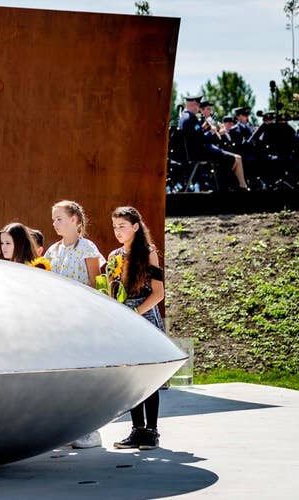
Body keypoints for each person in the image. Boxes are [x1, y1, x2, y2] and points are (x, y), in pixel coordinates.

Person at [43, 200, 105, 450]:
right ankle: (67, 429)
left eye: (59, 218)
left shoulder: (88, 248)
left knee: (84, 375)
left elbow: (95, 283)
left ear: (74, 220)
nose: (55, 223)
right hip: (59, 322)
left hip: (81, 319)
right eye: (53, 219)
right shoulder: (53, 251)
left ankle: (91, 430)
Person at [107, 207, 166, 451]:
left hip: (143, 316)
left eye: (122, 226)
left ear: (135, 227)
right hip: (123, 318)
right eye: (114, 227)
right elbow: (112, 290)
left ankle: (151, 431)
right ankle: (137, 429)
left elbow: (158, 293)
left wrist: (135, 313)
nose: (118, 231)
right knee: (131, 377)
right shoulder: (113, 256)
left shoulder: (148, 253)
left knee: (147, 376)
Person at [179, 95, 249, 190]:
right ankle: (228, 188)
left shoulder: (185, 117)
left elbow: (197, 136)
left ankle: (240, 187)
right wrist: (211, 132)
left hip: (199, 150)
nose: (198, 108)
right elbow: (200, 139)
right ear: (194, 104)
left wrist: (208, 131)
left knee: (231, 158)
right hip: (199, 152)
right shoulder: (190, 118)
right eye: (198, 105)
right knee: (229, 159)